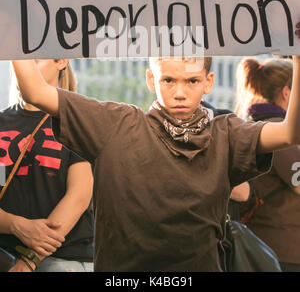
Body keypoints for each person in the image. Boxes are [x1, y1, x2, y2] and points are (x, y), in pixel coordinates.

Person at [11, 32, 300, 272]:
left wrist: (297, 54)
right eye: (168, 80)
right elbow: (35, 92)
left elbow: (290, 132)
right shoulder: (116, 123)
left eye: (192, 81)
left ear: (208, 82)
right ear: (152, 80)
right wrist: (10, 27)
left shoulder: (226, 133)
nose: (179, 92)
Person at [0, 60, 94, 272]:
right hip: (5, 256)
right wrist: (17, 225)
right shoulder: (2, 123)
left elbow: (78, 196)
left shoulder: (77, 121)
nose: (27, 66)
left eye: (35, 58)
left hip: (63, 257)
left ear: (61, 61)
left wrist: (30, 260)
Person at [235, 56, 300, 272]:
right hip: (285, 252)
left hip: (262, 245)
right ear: (287, 93)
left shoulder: (250, 127)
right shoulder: (279, 135)